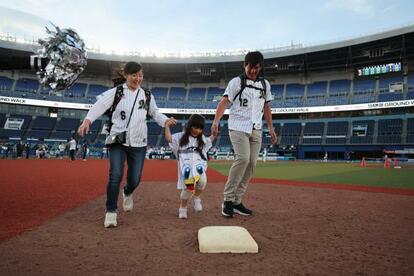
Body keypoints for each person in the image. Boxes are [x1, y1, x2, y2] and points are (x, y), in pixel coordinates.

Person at [77, 61, 176, 228]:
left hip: (139, 143)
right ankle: (111, 211)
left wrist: (166, 120)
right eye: (134, 75)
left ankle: (128, 191)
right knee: (115, 174)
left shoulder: (146, 95)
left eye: (140, 75)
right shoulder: (116, 92)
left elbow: (155, 113)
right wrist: (87, 120)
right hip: (118, 140)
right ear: (126, 75)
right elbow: (99, 106)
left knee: (135, 179)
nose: (138, 78)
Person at [211, 51, 277, 218]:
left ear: (260, 67)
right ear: (244, 65)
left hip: (256, 128)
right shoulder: (237, 82)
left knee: (252, 163)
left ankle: (237, 201)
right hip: (238, 126)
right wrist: (216, 121)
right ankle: (227, 199)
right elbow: (224, 101)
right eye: (250, 67)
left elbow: (267, 107)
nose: (253, 70)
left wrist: (271, 128)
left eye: (256, 67)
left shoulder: (265, 84)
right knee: (243, 159)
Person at [165, 114, 216, 219]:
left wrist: (214, 135)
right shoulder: (180, 137)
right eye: (195, 127)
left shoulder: (201, 138)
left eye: (200, 128)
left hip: (199, 166)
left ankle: (196, 197)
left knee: (202, 181)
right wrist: (167, 126)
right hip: (186, 168)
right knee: (189, 189)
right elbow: (169, 139)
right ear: (190, 126)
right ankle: (182, 208)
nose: (197, 130)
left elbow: (209, 141)